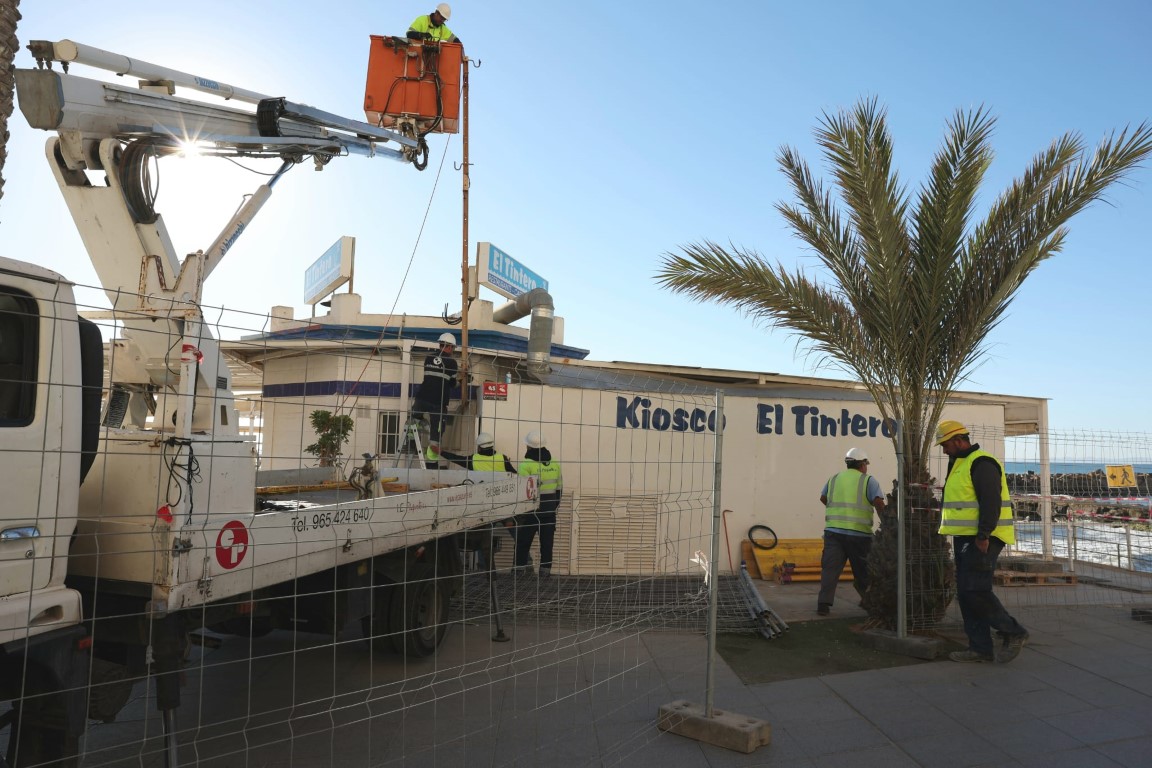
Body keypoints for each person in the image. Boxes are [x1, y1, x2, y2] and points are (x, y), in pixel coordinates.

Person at [937, 420, 1030, 663]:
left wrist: (983, 535)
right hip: (967, 537)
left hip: (983, 538)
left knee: (974, 589)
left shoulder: (982, 462)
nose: (944, 450)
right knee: (967, 592)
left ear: (958, 441)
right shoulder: (960, 463)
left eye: (945, 445)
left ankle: (1013, 631)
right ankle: (979, 648)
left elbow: (991, 501)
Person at [817, 447, 885, 615]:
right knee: (863, 571)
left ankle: (823, 605)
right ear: (862, 464)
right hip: (859, 535)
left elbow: (823, 498)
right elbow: (878, 502)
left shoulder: (834, 479)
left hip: (834, 533)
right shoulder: (869, 481)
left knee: (830, 570)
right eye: (866, 464)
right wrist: (888, 524)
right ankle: (870, 605)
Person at [513, 431, 563, 578]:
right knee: (547, 544)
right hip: (548, 512)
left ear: (529, 447)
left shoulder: (526, 465)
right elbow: (559, 490)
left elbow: (522, 492)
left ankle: (519, 572)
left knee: (523, 543)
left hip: (530, 512)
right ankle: (545, 574)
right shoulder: (555, 464)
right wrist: (552, 508)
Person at [411, 332, 458, 464]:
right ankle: (431, 462)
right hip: (438, 402)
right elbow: (453, 384)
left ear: (440, 344)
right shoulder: (452, 363)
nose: (452, 350)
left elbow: (433, 377)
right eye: (452, 348)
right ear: (449, 347)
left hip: (421, 399)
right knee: (436, 434)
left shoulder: (428, 358)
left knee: (414, 418)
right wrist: (461, 380)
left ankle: (413, 440)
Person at [439, 432, 516, 473]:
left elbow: (456, 459)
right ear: (492, 445)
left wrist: (441, 452)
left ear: (479, 448)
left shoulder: (473, 460)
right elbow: (515, 475)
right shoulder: (503, 458)